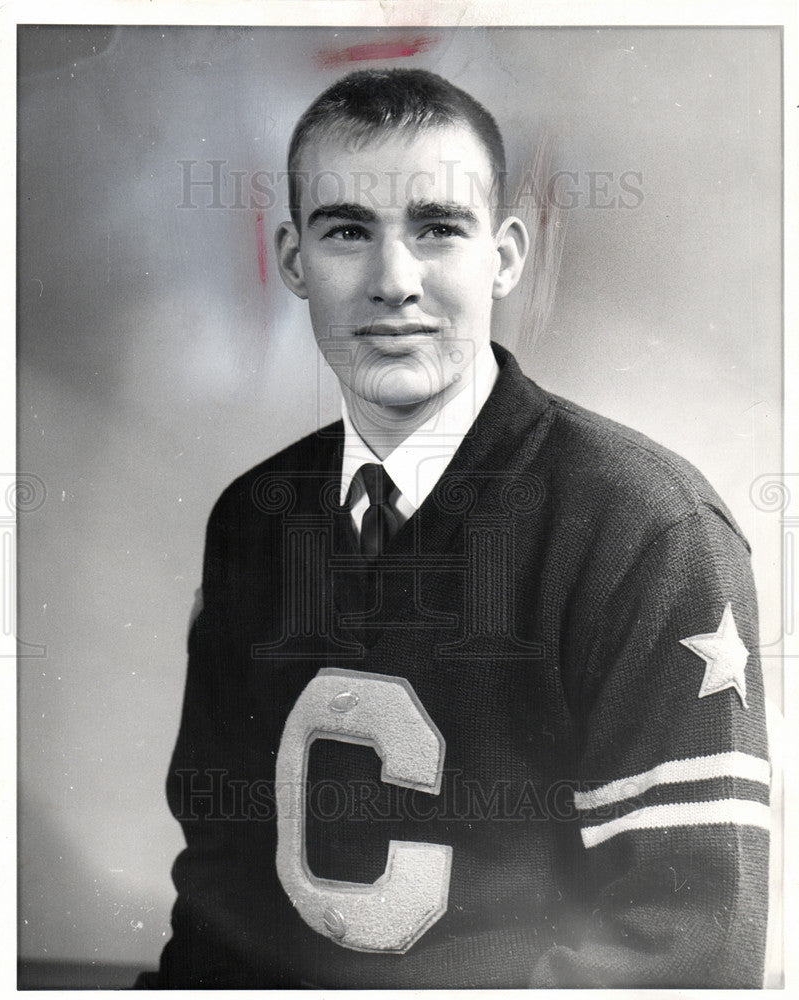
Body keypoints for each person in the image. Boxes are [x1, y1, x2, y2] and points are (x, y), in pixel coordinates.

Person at [141, 68, 770, 988]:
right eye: (347, 230)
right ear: (291, 258)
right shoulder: (254, 517)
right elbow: (219, 899)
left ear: (504, 256)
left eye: (438, 227)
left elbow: (681, 949)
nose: (394, 282)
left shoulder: (643, 529)